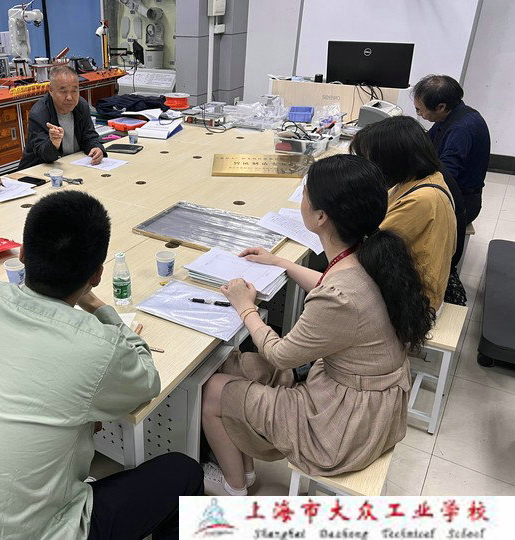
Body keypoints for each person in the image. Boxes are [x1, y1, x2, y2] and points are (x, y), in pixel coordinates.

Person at [0, 191, 203, 539]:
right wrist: (101, 308)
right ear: (97, 275)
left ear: (23, 254)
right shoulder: (97, 346)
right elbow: (147, 381)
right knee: (184, 472)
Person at [201, 155, 434, 496]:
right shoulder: (369, 251)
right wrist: (279, 262)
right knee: (236, 365)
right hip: (364, 398)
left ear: (321, 216)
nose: (302, 199)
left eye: (305, 193)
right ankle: (245, 470)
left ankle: (234, 486)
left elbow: (281, 355)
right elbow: (330, 284)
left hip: (346, 424)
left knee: (214, 389)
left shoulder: (340, 295)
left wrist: (245, 306)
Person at [350, 116, 459, 310]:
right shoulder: (420, 179)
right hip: (405, 282)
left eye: (370, 161)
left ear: (392, 161)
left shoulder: (422, 199)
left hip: (414, 303)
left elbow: (368, 247)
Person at [413, 74, 490, 224]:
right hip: (455, 192)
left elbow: (447, 175)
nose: (420, 114)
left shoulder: (461, 129)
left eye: (419, 110)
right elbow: (425, 142)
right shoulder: (451, 114)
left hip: (462, 202)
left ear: (440, 107)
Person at [18, 66, 106, 169]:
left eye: (74, 91)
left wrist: (96, 147)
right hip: (40, 169)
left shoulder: (81, 105)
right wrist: (54, 144)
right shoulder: (38, 113)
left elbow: (89, 136)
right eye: (63, 91)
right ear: (51, 90)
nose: (69, 97)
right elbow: (43, 155)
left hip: (73, 165)